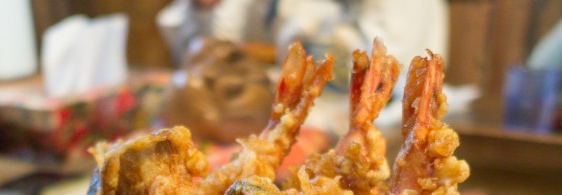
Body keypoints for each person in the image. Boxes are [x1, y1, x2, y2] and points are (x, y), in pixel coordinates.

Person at [157, 0, 449, 89]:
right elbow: (211, 45)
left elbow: (388, 82)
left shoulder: (407, 7)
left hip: (383, 117)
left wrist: (270, 54)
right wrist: (202, 9)